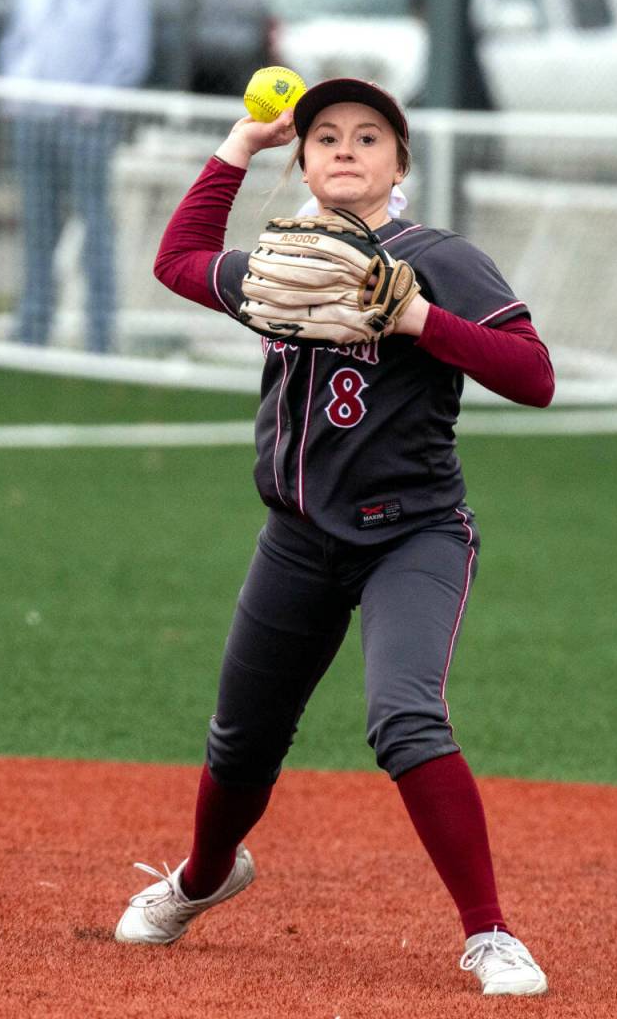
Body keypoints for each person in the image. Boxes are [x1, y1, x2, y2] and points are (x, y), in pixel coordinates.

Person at [113, 78, 555, 997]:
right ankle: (201, 878)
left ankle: (490, 936)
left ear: (400, 162)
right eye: (323, 137)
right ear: (303, 160)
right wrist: (239, 146)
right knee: (241, 741)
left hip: (415, 536)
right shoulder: (282, 263)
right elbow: (178, 259)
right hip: (298, 540)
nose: (345, 149)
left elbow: (535, 375)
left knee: (404, 717)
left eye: (368, 136)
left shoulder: (438, 258)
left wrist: (421, 319)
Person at [0, 0, 151, 353]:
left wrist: (88, 104)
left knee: (95, 227)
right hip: (32, 117)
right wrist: (15, 93)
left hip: (87, 124)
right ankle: (32, 331)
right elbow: (16, 42)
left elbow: (130, 56)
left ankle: (100, 335)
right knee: (37, 225)